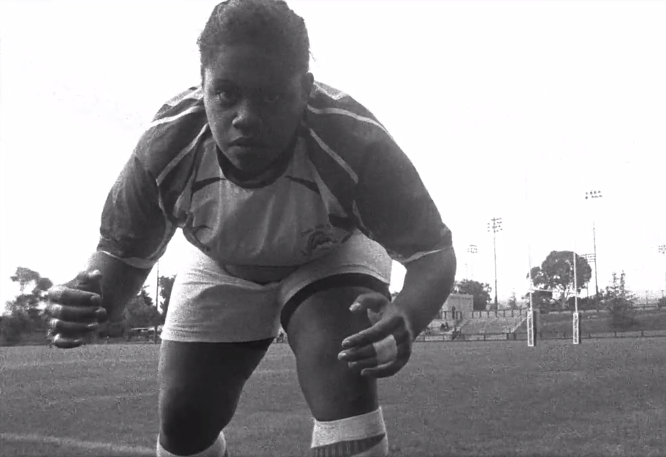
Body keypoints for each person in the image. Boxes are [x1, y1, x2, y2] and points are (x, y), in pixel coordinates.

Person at [41, 2, 456, 456]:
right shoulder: (166, 147)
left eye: (271, 97)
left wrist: (407, 314)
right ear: (202, 84)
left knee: (340, 368)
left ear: (305, 90)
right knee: (184, 421)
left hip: (331, 254)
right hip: (221, 260)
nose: (246, 117)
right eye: (225, 94)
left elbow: (433, 253)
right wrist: (86, 305)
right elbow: (119, 260)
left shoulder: (355, 143)